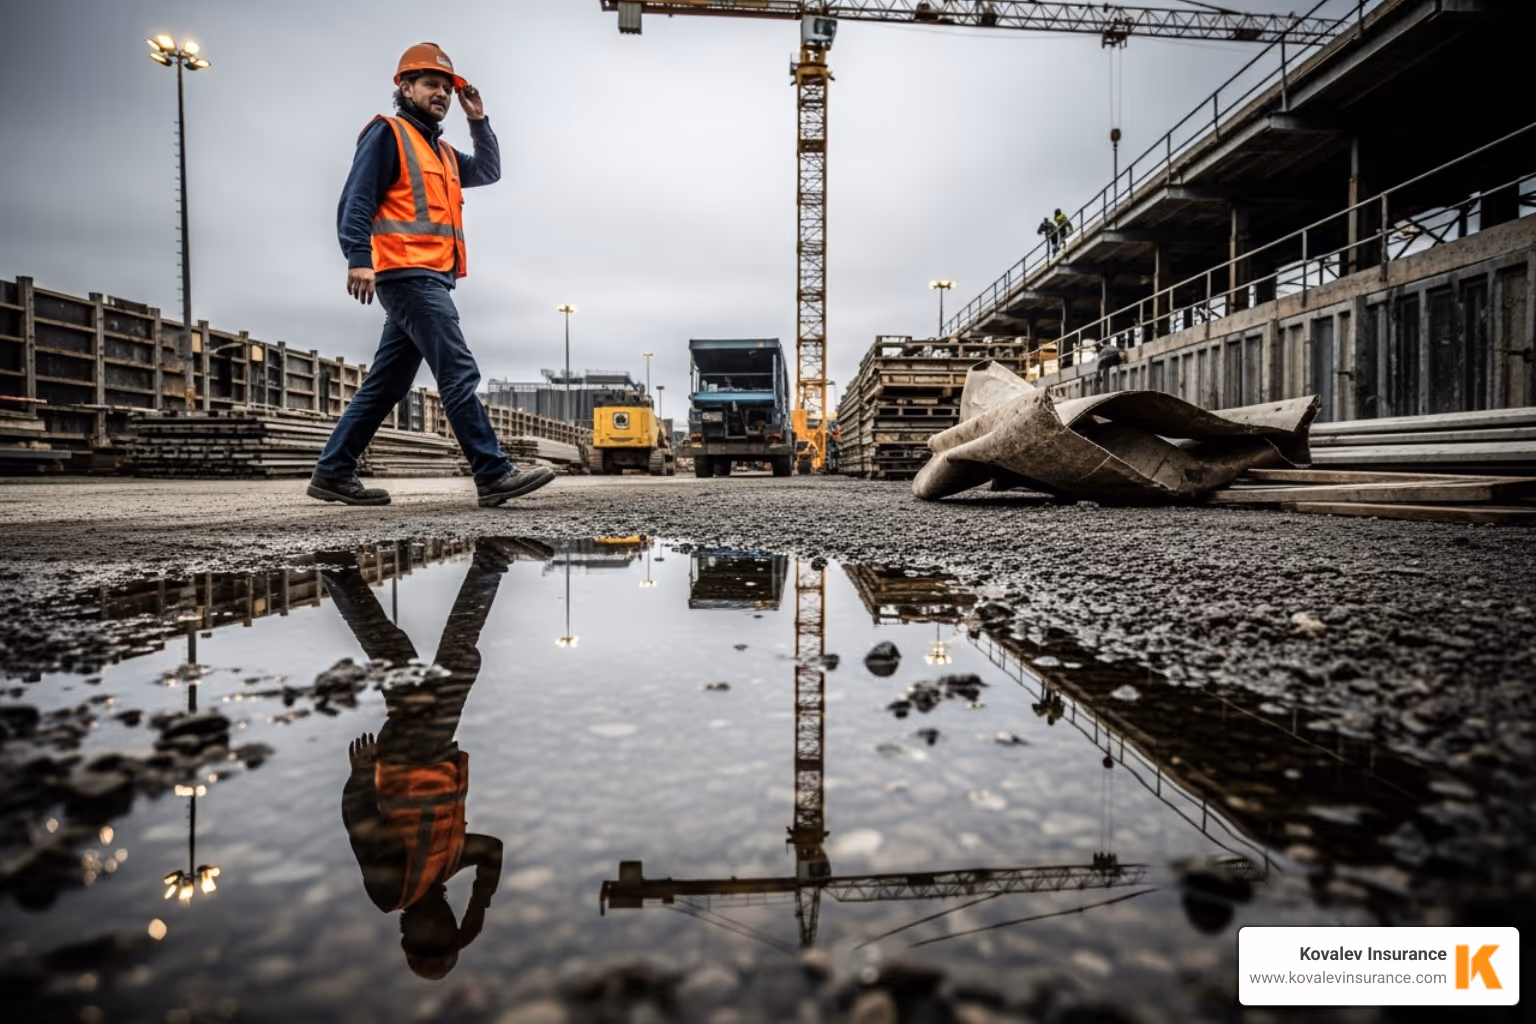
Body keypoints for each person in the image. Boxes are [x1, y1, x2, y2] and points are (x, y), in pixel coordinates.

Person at [310, 43, 554, 508]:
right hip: (406, 273)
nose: (441, 94)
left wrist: (478, 119)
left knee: (388, 383)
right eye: (431, 85)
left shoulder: (441, 152)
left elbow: (487, 170)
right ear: (405, 87)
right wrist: (358, 257)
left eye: (446, 88)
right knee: (457, 370)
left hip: (431, 277)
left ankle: (333, 471)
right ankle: (492, 471)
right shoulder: (388, 134)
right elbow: (356, 200)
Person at [329, 539, 547, 979]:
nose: (433, 928)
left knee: (450, 661)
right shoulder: (445, 866)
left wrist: (360, 775)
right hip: (433, 753)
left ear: (407, 934)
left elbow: (363, 831)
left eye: (423, 939)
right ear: (452, 927)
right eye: (443, 935)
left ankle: (489, 563)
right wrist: (478, 910)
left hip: (407, 758)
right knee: (400, 655)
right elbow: (491, 850)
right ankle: (337, 571)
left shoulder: (393, 892)